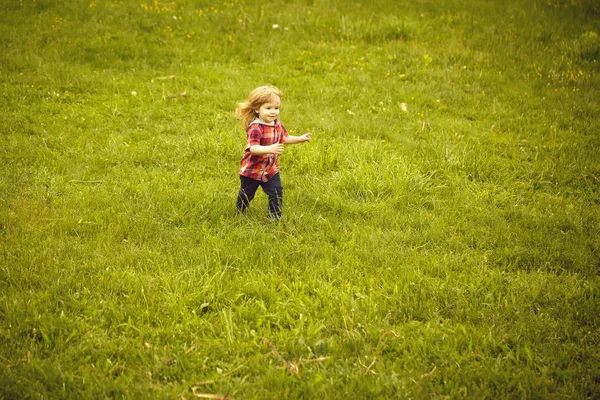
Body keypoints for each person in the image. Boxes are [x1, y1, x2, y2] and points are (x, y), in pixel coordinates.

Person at [235, 85, 311, 221]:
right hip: (252, 170)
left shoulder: (277, 123)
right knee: (247, 194)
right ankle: (239, 211)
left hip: (271, 169)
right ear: (257, 109)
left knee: (276, 192)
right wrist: (270, 149)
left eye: (276, 108)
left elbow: (285, 138)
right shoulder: (255, 127)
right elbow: (253, 148)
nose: (273, 112)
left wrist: (301, 138)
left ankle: (274, 217)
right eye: (268, 108)